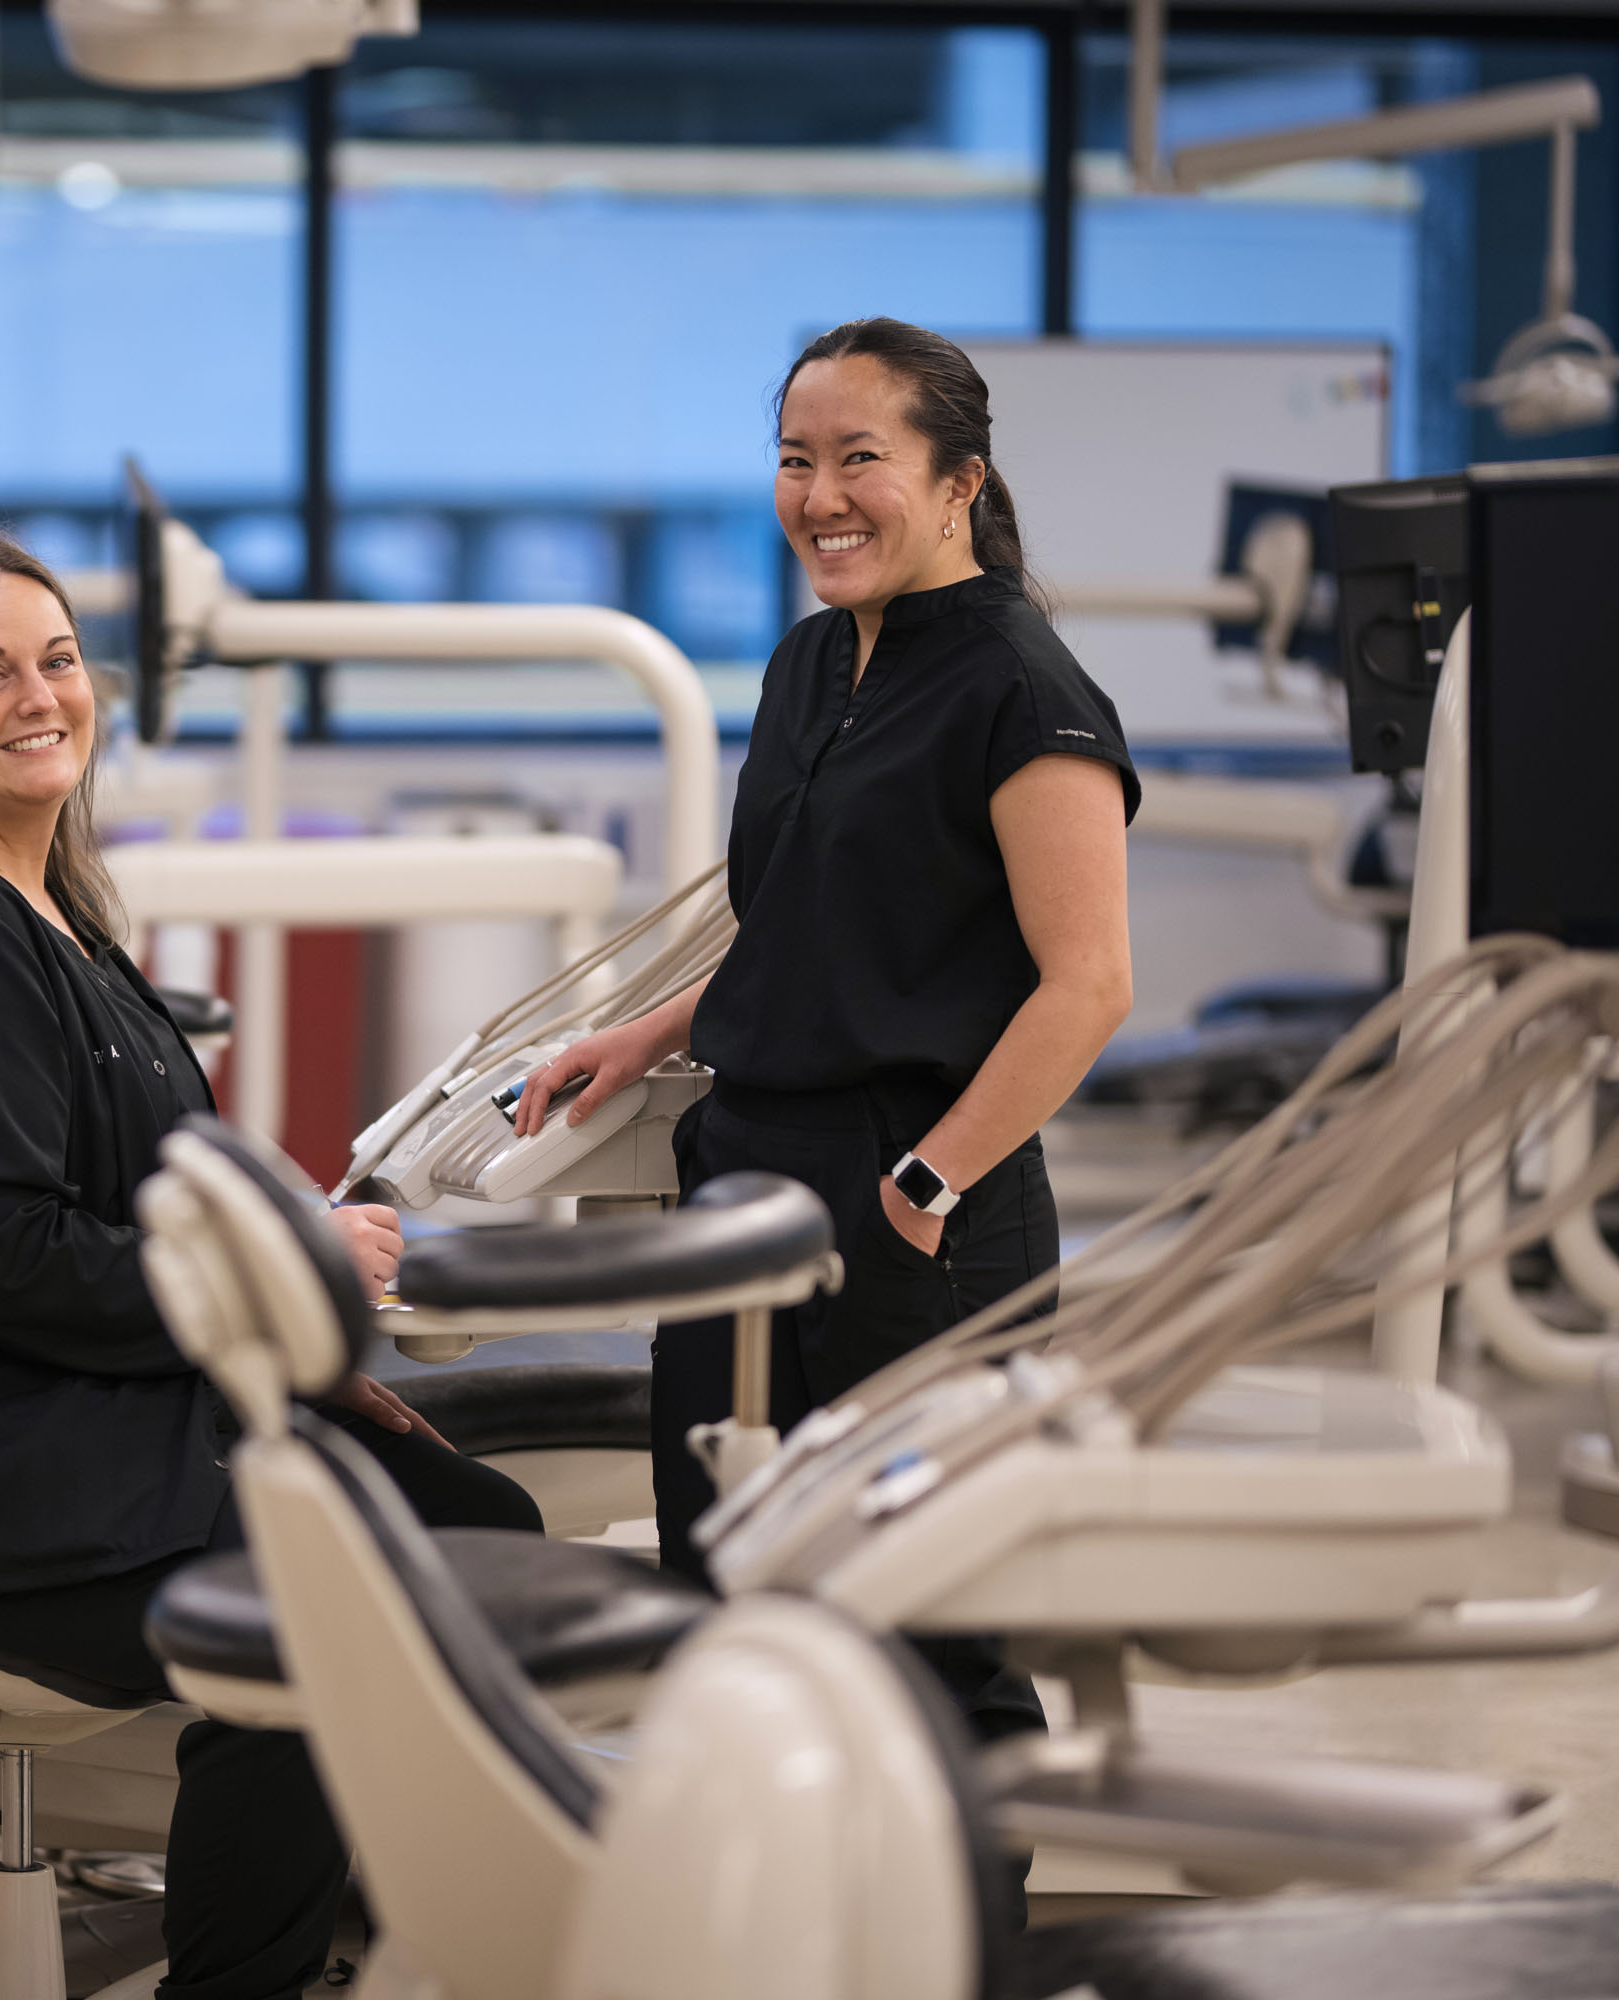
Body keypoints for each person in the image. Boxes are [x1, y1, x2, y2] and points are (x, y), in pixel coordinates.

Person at [0, 534, 539, 2000]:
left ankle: (351, 1915)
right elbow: (2, 1256)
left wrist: (298, 1333)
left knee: (476, 1514)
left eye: (56, 660)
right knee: (328, 1610)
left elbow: (136, 1181)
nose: (39, 696)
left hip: (22, 1408)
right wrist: (284, 1271)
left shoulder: (42, 902)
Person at [515, 317, 1137, 1769]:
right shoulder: (810, 664)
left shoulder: (1025, 695)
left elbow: (1090, 984)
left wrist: (928, 1185)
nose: (822, 494)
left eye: (863, 458)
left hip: (911, 1205)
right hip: (742, 1183)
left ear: (958, 482)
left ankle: (962, 1938)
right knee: (726, 1592)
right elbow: (807, 921)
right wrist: (653, 1033)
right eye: (797, 460)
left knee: (921, 1628)